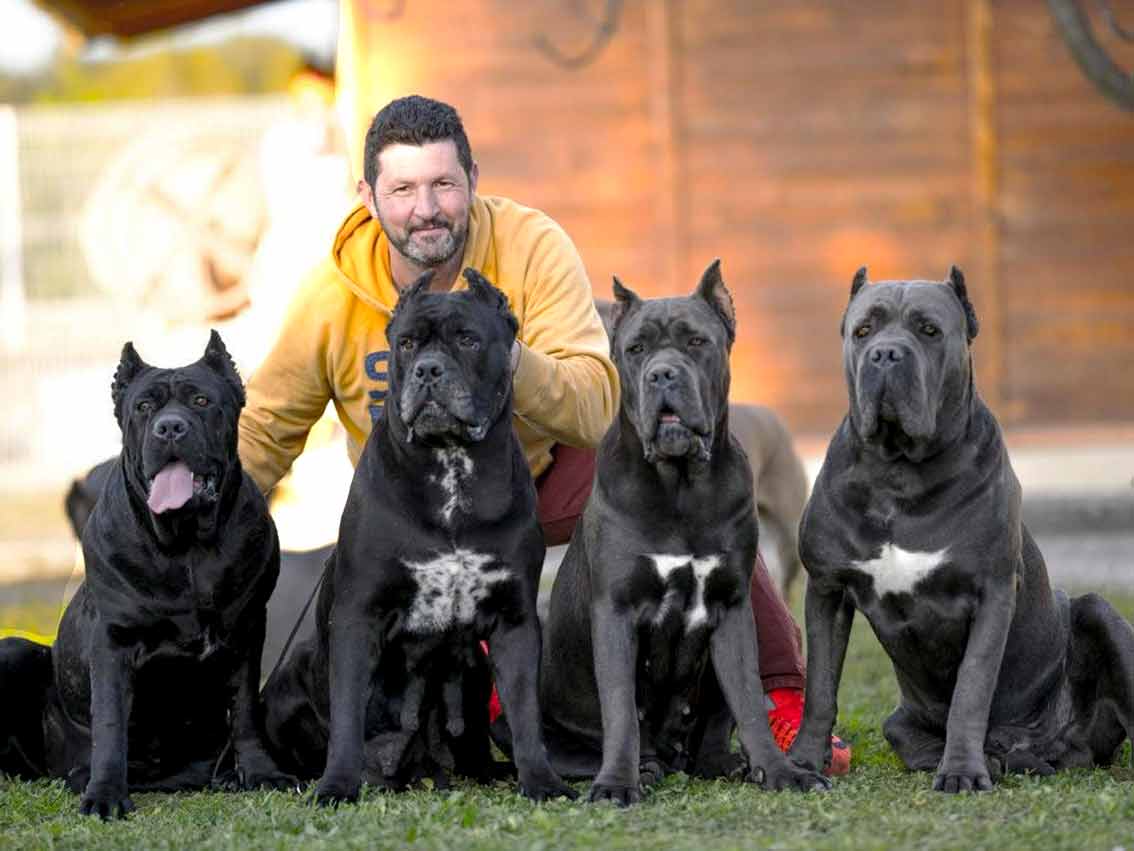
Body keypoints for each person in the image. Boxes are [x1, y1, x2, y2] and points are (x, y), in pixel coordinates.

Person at [236, 95, 849, 775]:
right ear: (369, 195)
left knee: (696, 488)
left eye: (444, 184)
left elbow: (594, 400)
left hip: (539, 474)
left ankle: (778, 691)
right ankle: (503, 703)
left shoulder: (531, 246)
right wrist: (212, 521)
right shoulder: (330, 294)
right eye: (403, 188)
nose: (426, 207)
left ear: (472, 178)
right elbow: (265, 427)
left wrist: (498, 353)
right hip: (409, 502)